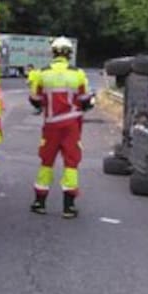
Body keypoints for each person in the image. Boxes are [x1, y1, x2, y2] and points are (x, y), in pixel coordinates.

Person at [28, 36, 95, 218]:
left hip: (51, 126)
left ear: (53, 53)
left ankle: (39, 202)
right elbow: (85, 99)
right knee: (71, 163)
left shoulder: (42, 73)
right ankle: (69, 207)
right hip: (72, 124)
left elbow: (35, 99)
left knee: (46, 162)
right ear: (69, 54)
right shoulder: (78, 74)